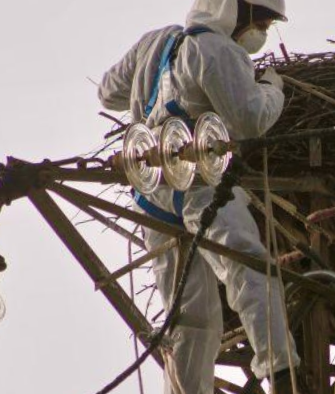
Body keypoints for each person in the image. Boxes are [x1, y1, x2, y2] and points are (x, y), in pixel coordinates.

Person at [98, 1, 301, 393]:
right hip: (202, 188)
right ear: (234, 9)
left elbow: (108, 93)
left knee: (192, 320)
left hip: (153, 197)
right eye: (262, 20)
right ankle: (281, 373)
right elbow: (250, 120)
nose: (263, 30)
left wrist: (153, 82)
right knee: (248, 270)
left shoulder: (154, 42)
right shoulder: (218, 49)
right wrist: (272, 89)